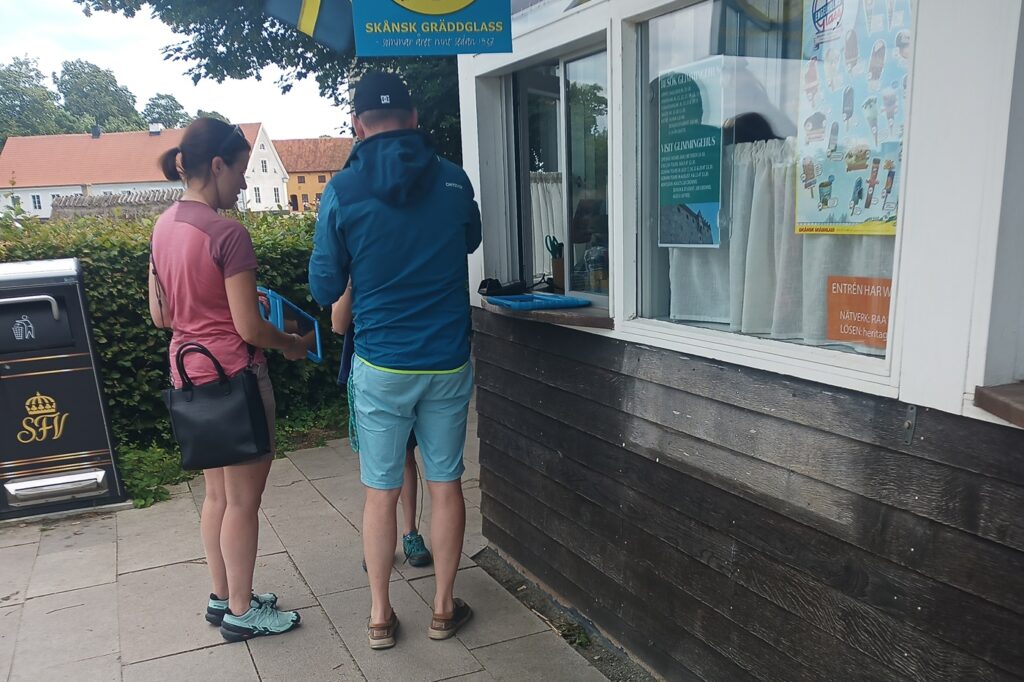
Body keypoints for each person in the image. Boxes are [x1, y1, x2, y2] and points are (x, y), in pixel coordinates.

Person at [309, 72, 481, 650]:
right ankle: (442, 608)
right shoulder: (454, 181)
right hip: (447, 359)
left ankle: (381, 616)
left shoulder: (341, 191)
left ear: (358, 127)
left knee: (380, 492)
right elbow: (471, 240)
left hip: (381, 363)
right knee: (446, 482)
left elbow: (324, 283)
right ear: (413, 119)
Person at [149, 117, 308, 643]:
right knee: (243, 502)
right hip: (235, 379)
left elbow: (161, 315)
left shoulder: (164, 225)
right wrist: (291, 343)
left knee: (216, 497)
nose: (243, 183)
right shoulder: (228, 233)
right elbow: (248, 329)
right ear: (216, 165)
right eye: (239, 171)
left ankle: (223, 597)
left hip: (189, 375)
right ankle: (243, 611)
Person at [331, 288, 433, 569]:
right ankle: (377, 542)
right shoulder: (354, 268)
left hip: (408, 366)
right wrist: (351, 283)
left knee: (405, 457)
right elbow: (338, 323)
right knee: (374, 466)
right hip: (368, 372)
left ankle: (410, 532)